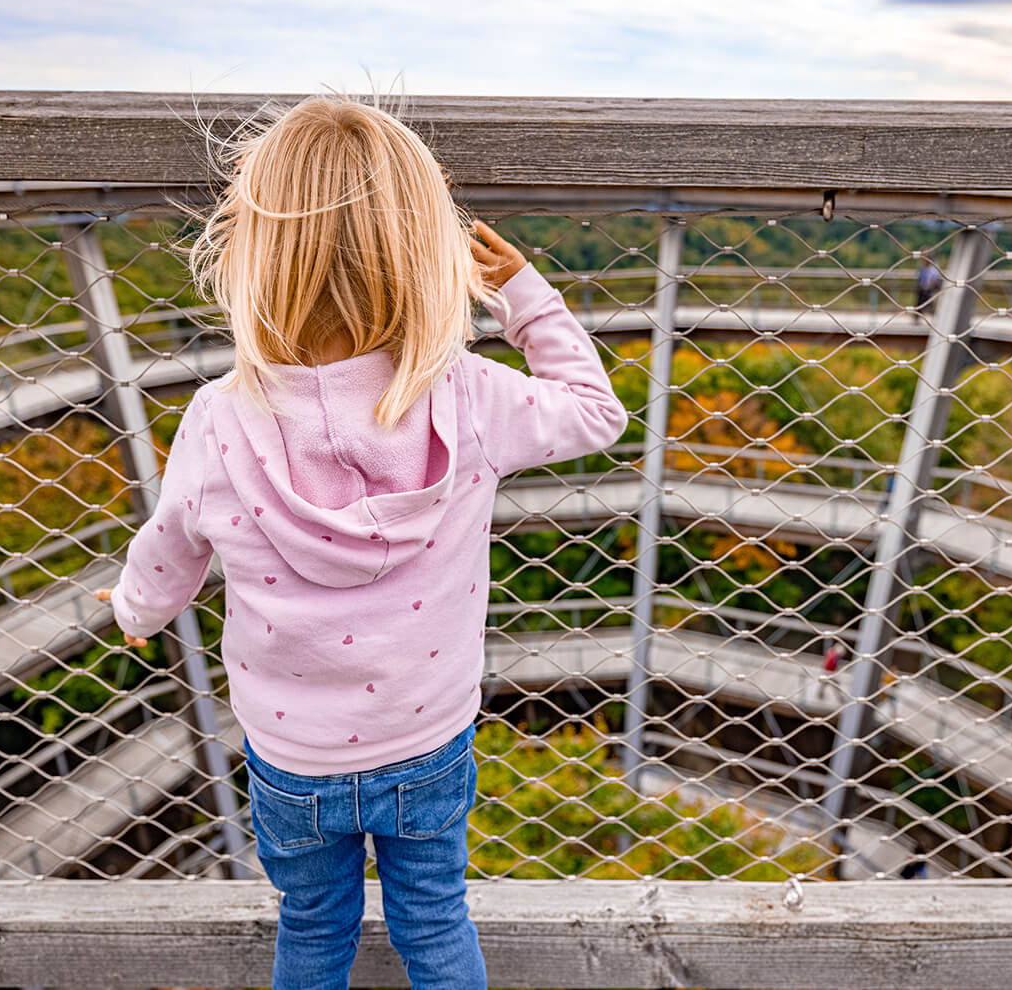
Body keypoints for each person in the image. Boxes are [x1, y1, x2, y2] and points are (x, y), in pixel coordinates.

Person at [94, 95, 629, 990]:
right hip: (427, 742)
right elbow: (595, 412)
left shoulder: (219, 422)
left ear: (248, 255)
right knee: (434, 919)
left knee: (312, 926)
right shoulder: (466, 394)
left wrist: (136, 613)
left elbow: (171, 547)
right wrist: (523, 295)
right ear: (427, 256)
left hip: (292, 758)